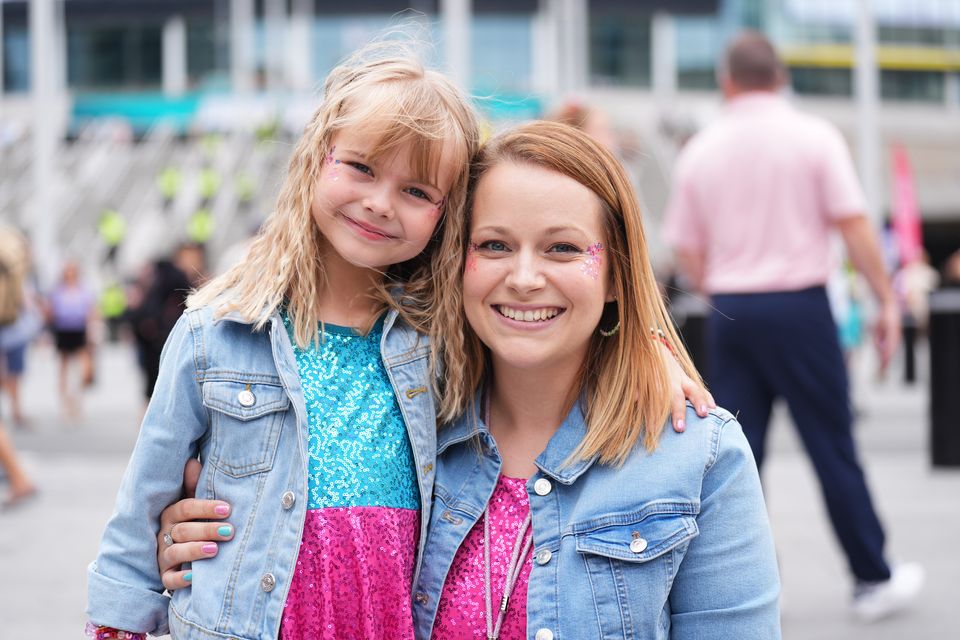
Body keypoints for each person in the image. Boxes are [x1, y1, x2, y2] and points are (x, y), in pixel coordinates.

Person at [87, 46, 709, 639]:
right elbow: (141, 506)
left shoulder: (441, 336)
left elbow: (551, 333)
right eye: (360, 167)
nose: (380, 203)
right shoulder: (213, 333)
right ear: (315, 158)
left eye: (417, 191)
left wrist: (647, 346)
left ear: (447, 214)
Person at [663, 31, 923, 622]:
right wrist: (886, 301)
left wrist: (722, 285)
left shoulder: (701, 149)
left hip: (732, 311)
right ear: (780, 77)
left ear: (727, 81)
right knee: (832, 445)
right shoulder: (814, 136)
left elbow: (687, 250)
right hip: (801, 308)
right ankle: (871, 578)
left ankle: (736, 590)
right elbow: (855, 226)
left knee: (733, 454)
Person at [46, 260, 97, 419]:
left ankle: (77, 398)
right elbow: (51, 311)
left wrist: (92, 330)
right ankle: (64, 401)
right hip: (63, 330)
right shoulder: (58, 290)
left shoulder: (83, 289)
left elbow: (91, 311)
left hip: (79, 330)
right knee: (64, 366)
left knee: (83, 366)